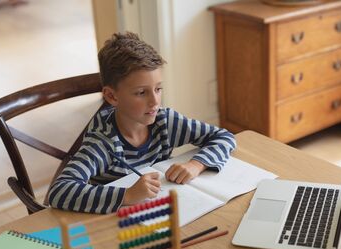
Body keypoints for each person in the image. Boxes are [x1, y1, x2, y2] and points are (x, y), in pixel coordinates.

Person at [49, 32, 236, 213]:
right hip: (116, 225)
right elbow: (60, 191)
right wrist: (127, 194)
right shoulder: (103, 143)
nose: (155, 101)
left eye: (158, 89)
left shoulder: (165, 122)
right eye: (141, 92)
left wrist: (196, 164)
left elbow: (223, 136)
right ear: (112, 96)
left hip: (164, 212)